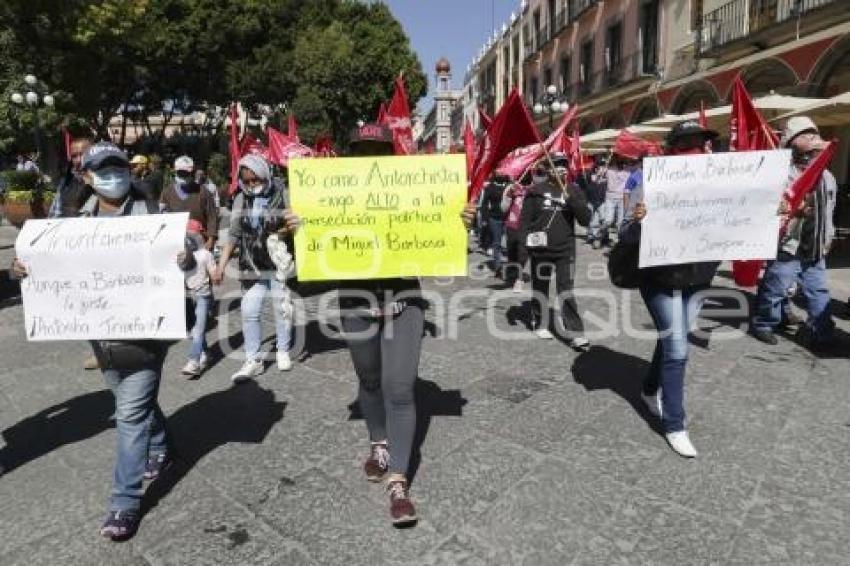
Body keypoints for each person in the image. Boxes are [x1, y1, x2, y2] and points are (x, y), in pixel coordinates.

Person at [12, 142, 193, 540]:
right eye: (103, 170)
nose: (114, 177)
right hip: (101, 333)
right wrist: (23, 268)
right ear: (87, 177)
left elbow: (189, 250)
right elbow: (45, 265)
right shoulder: (71, 219)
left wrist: (186, 257)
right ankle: (162, 446)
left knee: (129, 414)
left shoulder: (153, 213)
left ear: (130, 171)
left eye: (119, 168)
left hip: (147, 332)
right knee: (130, 400)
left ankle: (124, 503)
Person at [284, 125, 427, 526]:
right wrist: (300, 232)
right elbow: (311, 260)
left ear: (390, 154)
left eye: (377, 149)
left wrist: (459, 222)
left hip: (404, 303)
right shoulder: (332, 199)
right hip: (357, 305)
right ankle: (378, 442)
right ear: (350, 156)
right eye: (361, 150)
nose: (369, 156)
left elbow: (436, 237)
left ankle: (398, 480)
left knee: (399, 388)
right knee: (369, 380)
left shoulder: (410, 193)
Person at [620, 120, 721, 458]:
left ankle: (650, 389)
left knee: (671, 338)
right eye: (686, 144)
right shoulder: (649, 183)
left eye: (700, 143)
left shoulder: (720, 185)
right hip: (660, 278)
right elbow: (624, 233)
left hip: (699, 276)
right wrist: (639, 220)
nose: (695, 150)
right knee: (678, 348)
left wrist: (771, 214)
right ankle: (675, 425)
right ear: (671, 151)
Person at [751, 116, 837, 349]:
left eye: (814, 133)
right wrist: (788, 211)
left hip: (815, 244)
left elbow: (830, 211)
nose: (813, 137)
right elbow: (767, 206)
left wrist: (828, 236)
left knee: (818, 289)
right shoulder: (780, 173)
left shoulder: (828, 177)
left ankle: (823, 330)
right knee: (776, 286)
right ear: (791, 143)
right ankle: (764, 323)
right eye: (805, 134)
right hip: (788, 243)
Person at [213, 154, 295, 381]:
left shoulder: (283, 193)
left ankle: (283, 349)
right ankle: (253, 360)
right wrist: (221, 266)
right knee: (250, 310)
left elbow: (293, 225)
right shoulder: (240, 199)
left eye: (255, 179)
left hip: (277, 262)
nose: (251, 185)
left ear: (264, 175)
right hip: (251, 264)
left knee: (282, 308)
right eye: (246, 181)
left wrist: (288, 228)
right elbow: (233, 234)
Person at [519, 157, 591, 349]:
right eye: (555, 165)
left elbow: (585, 219)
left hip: (565, 250)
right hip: (541, 249)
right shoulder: (535, 192)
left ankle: (575, 332)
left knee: (565, 289)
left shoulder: (574, 190)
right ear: (547, 170)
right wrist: (522, 255)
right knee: (540, 286)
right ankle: (539, 321)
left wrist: (572, 200)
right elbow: (525, 223)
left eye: (563, 165)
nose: (560, 169)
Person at [160, 156, 218, 251]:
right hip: (175, 241)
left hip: (200, 241)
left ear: (193, 172)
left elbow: (212, 216)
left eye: (187, 173)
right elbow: (163, 217)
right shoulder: (166, 192)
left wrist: (211, 239)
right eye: (180, 173)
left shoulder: (204, 192)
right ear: (175, 172)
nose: (184, 176)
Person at [182, 219, 216, 377]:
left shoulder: (181, 255)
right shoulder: (206, 254)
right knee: (197, 329)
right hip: (199, 295)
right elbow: (216, 277)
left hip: (194, 297)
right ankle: (206, 353)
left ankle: (194, 361)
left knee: (198, 329)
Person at [501, 172, 531, 292]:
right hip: (512, 225)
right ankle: (513, 274)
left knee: (523, 253)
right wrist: (509, 195)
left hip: (527, 226)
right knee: (512, 253)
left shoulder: (534, 188)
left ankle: (519, 279)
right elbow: (503, 208)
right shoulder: (510, 188)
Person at [481, 174, 508, 276]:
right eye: (499, 172)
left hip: (508, 219)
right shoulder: (490, 187)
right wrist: (485, 218)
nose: (501, 174)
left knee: (510, 243)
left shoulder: (510, 186)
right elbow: (484, 204)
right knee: (496, 243)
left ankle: (512, 267)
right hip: (494, 218)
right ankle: (498, 268)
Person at [585, 157, 609, 249]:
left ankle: (605, 237)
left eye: (604, 166)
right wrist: (599, 175)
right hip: (591, 201)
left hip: (602, 201)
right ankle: (592, 237)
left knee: (605, 220)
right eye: (601, 166)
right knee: (592, 220)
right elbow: (594, 181)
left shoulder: (606, 176)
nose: (604, 168)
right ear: (596, 168)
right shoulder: (590, 175)